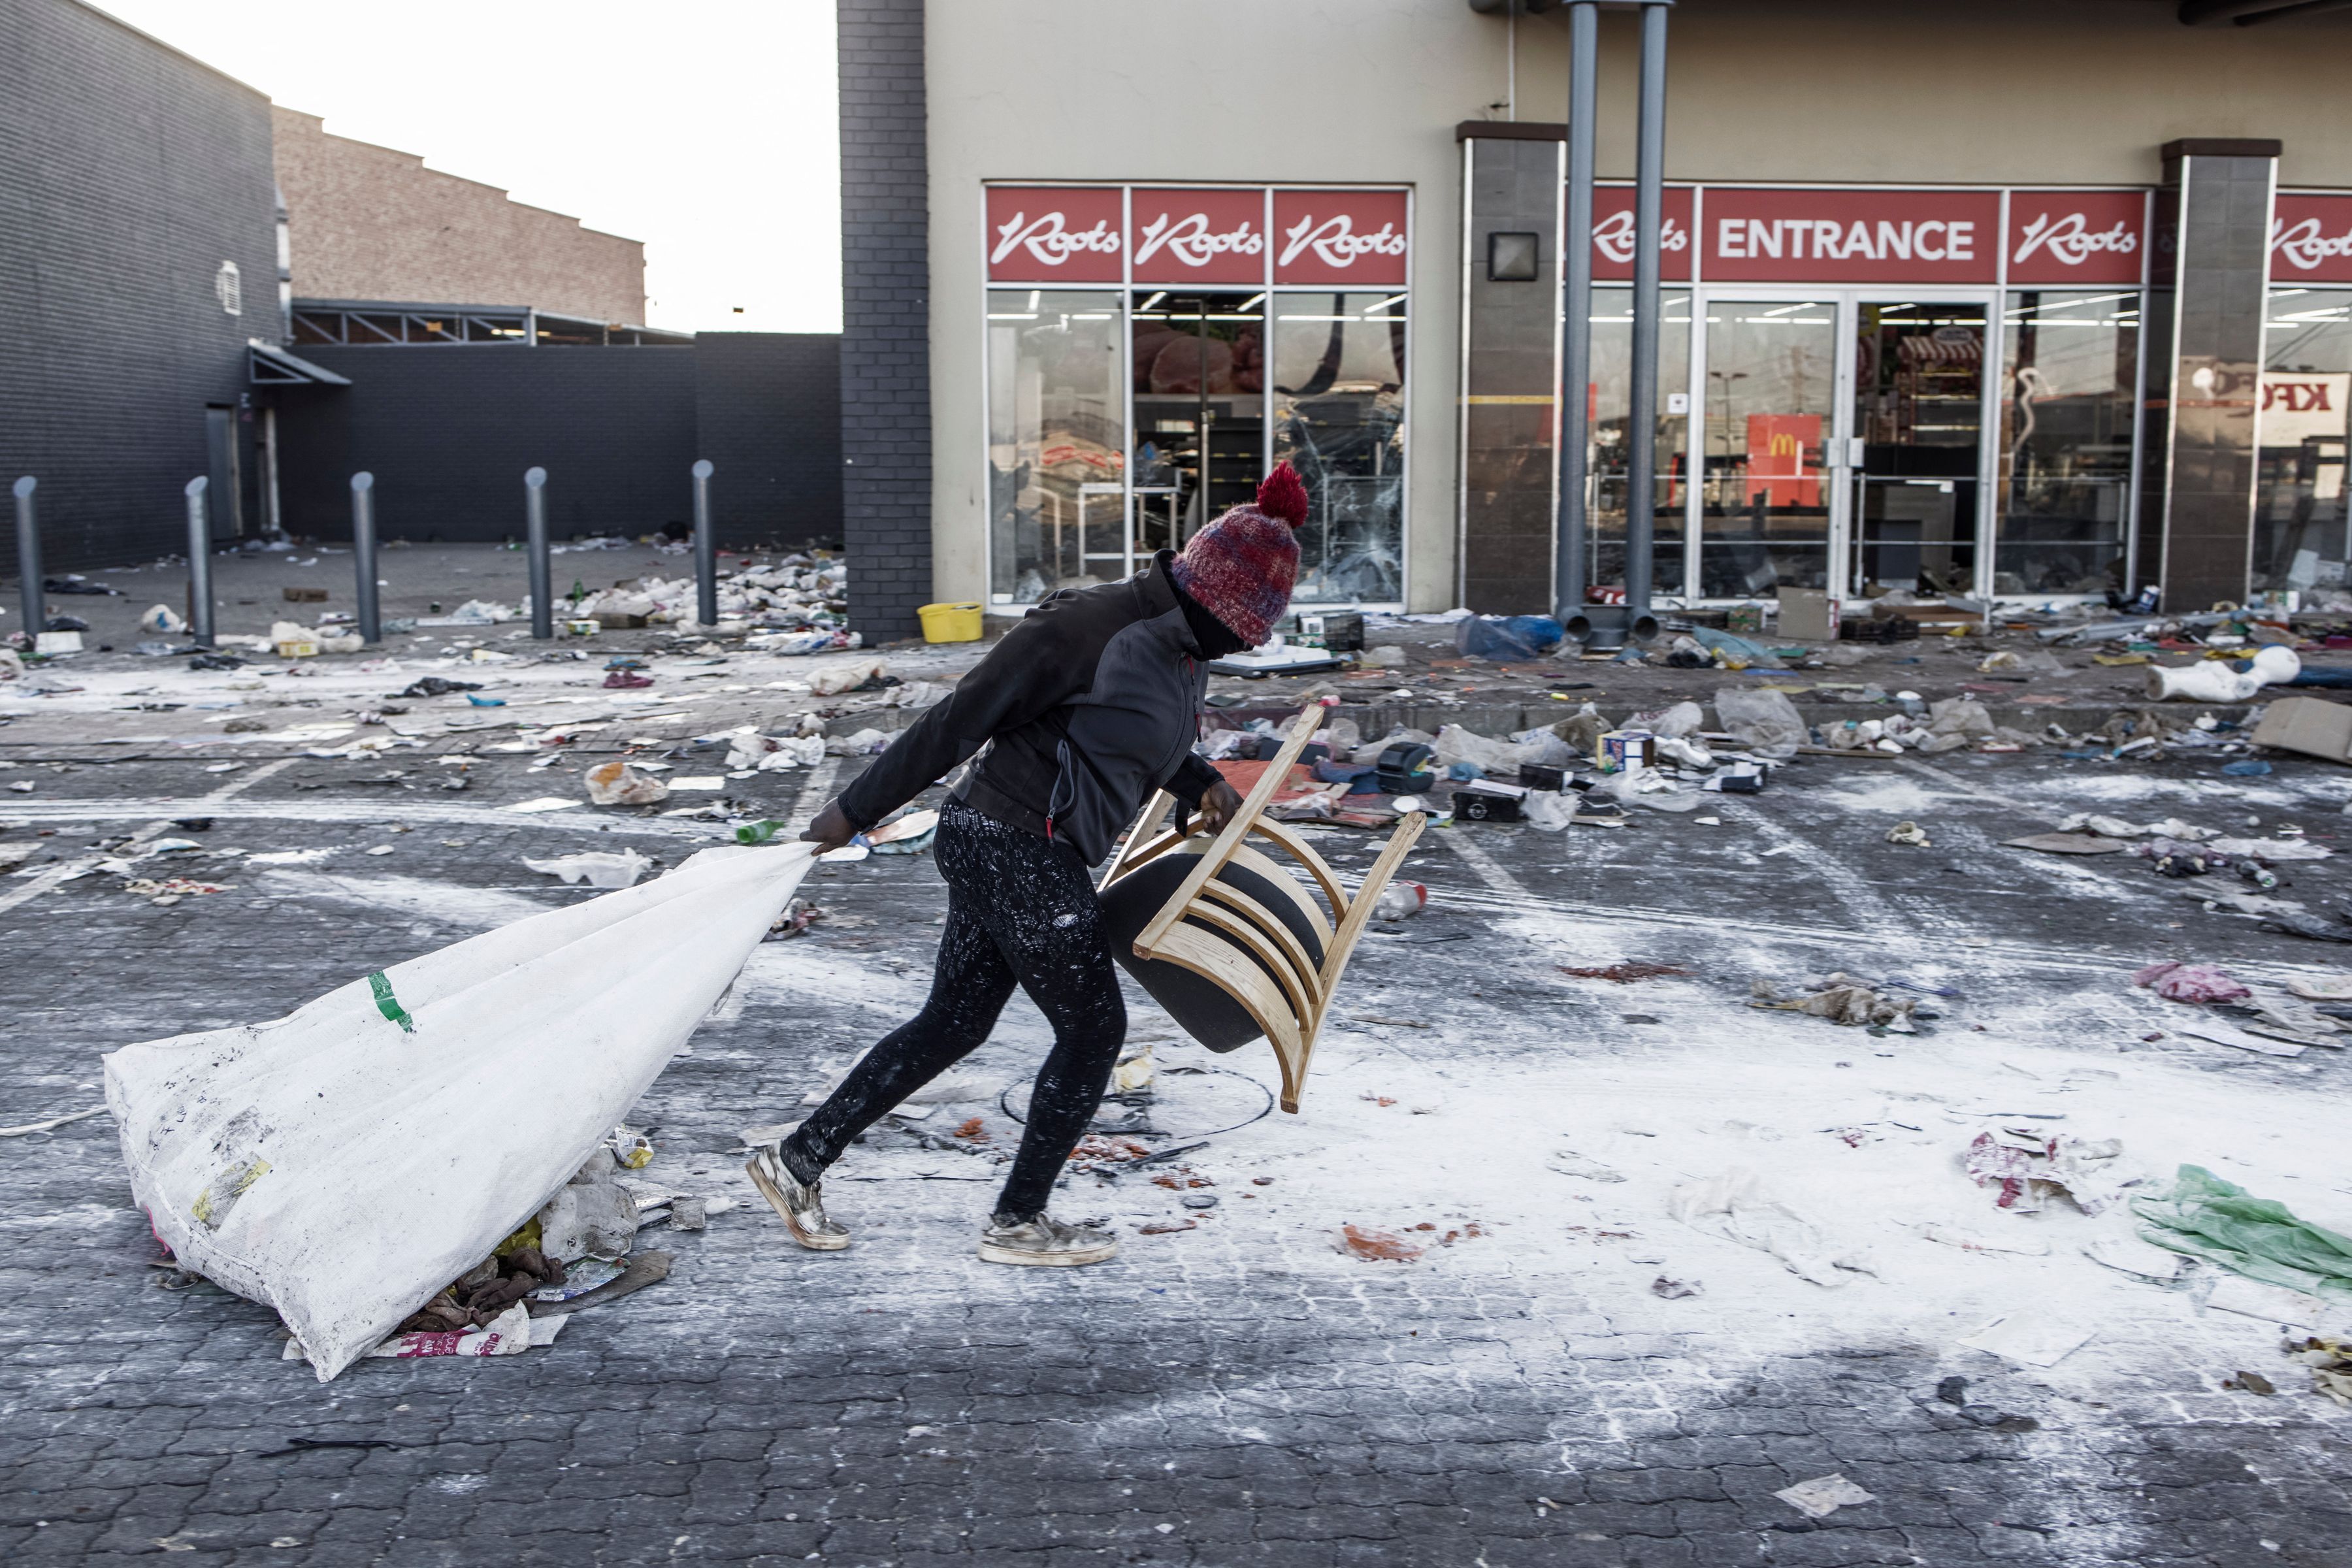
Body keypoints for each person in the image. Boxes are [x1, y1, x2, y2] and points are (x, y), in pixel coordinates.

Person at [745, 462, 1313, 1266]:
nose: (1249, 644)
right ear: (1209, 596)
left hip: (1024, 846)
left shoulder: (1187, 648)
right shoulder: (1083, 628)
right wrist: (851, 813)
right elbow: (956, 721)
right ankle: (1018, 1222)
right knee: (1094, 1031)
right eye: (1246, 628)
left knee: (955, 1021)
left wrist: (1199, 781)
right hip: (1011, 840)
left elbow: (1128, 731)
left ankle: (796, 1160)